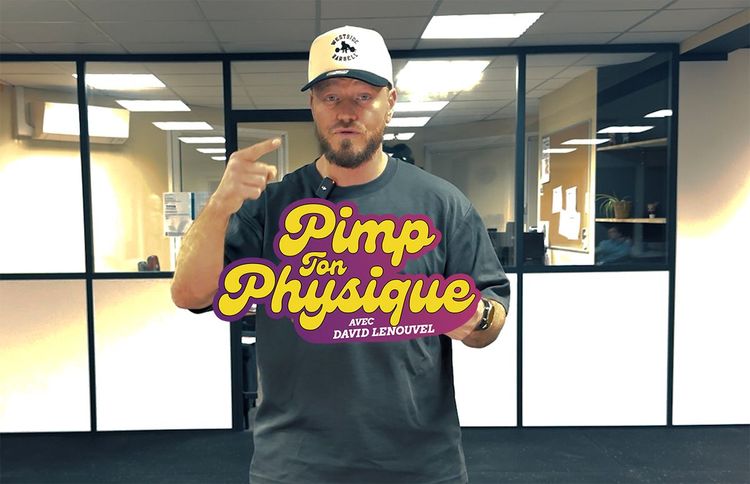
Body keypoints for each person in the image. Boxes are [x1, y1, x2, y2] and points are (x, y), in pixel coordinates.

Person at [171, 25, 510, 484]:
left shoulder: (442, 204)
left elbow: (491, 316)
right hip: (295, 465)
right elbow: (190, 294)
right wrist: (219, 205)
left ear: (390, 102)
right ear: (313, 105)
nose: (346, 112)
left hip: (418, 464)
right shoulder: (271, 206)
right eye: (331, 97)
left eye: (363, 96)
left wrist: (475, 319)